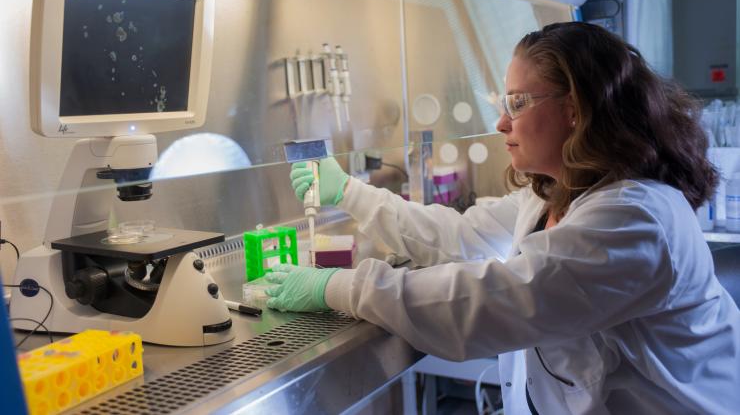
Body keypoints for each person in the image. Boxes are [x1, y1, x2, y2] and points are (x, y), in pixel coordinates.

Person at [265, 22, 740, 414]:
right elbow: (461, 237)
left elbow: (488, 304)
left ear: (574, 110)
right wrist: (349, 192)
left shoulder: (633, 221)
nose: (501, 124)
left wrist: (334, 287)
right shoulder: (559, 194)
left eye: (518, 103)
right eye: (504, 104)